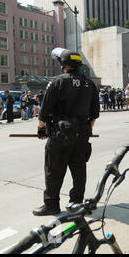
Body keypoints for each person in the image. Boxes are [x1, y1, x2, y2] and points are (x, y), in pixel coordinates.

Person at [33, 48, 100, 216]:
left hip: (60, 135)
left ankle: (51, 204)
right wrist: (85, 131)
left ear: (63, 65)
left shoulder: (57, 82)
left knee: (53, 170)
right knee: (79, 170)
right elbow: (94, 115)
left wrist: (41, 129)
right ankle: (77, 203)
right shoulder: (89, 84)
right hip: (82, 134)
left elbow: (44, 110)